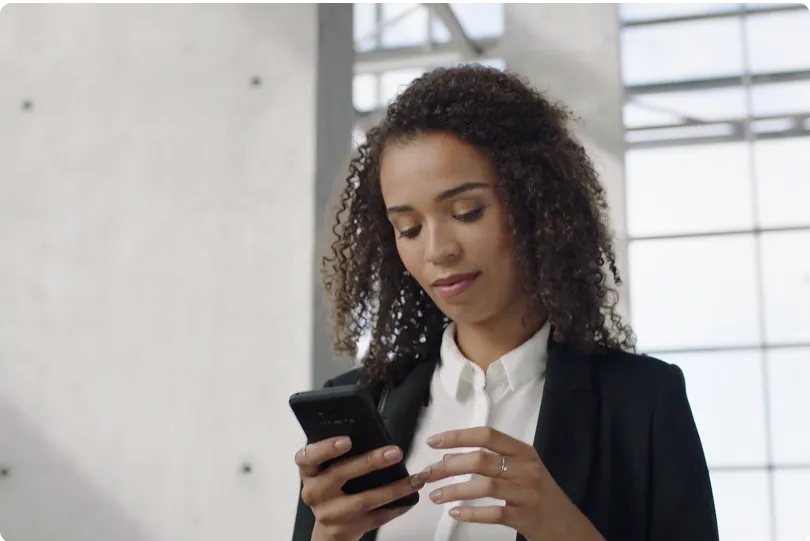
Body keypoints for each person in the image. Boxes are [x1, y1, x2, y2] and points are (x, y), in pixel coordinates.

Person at [291, 65, 718, 541]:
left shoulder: (642, 403)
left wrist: (568, 531)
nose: (437, 250)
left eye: (466, 212)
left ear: (534, 202)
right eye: (408, 228)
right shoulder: (365, 406)